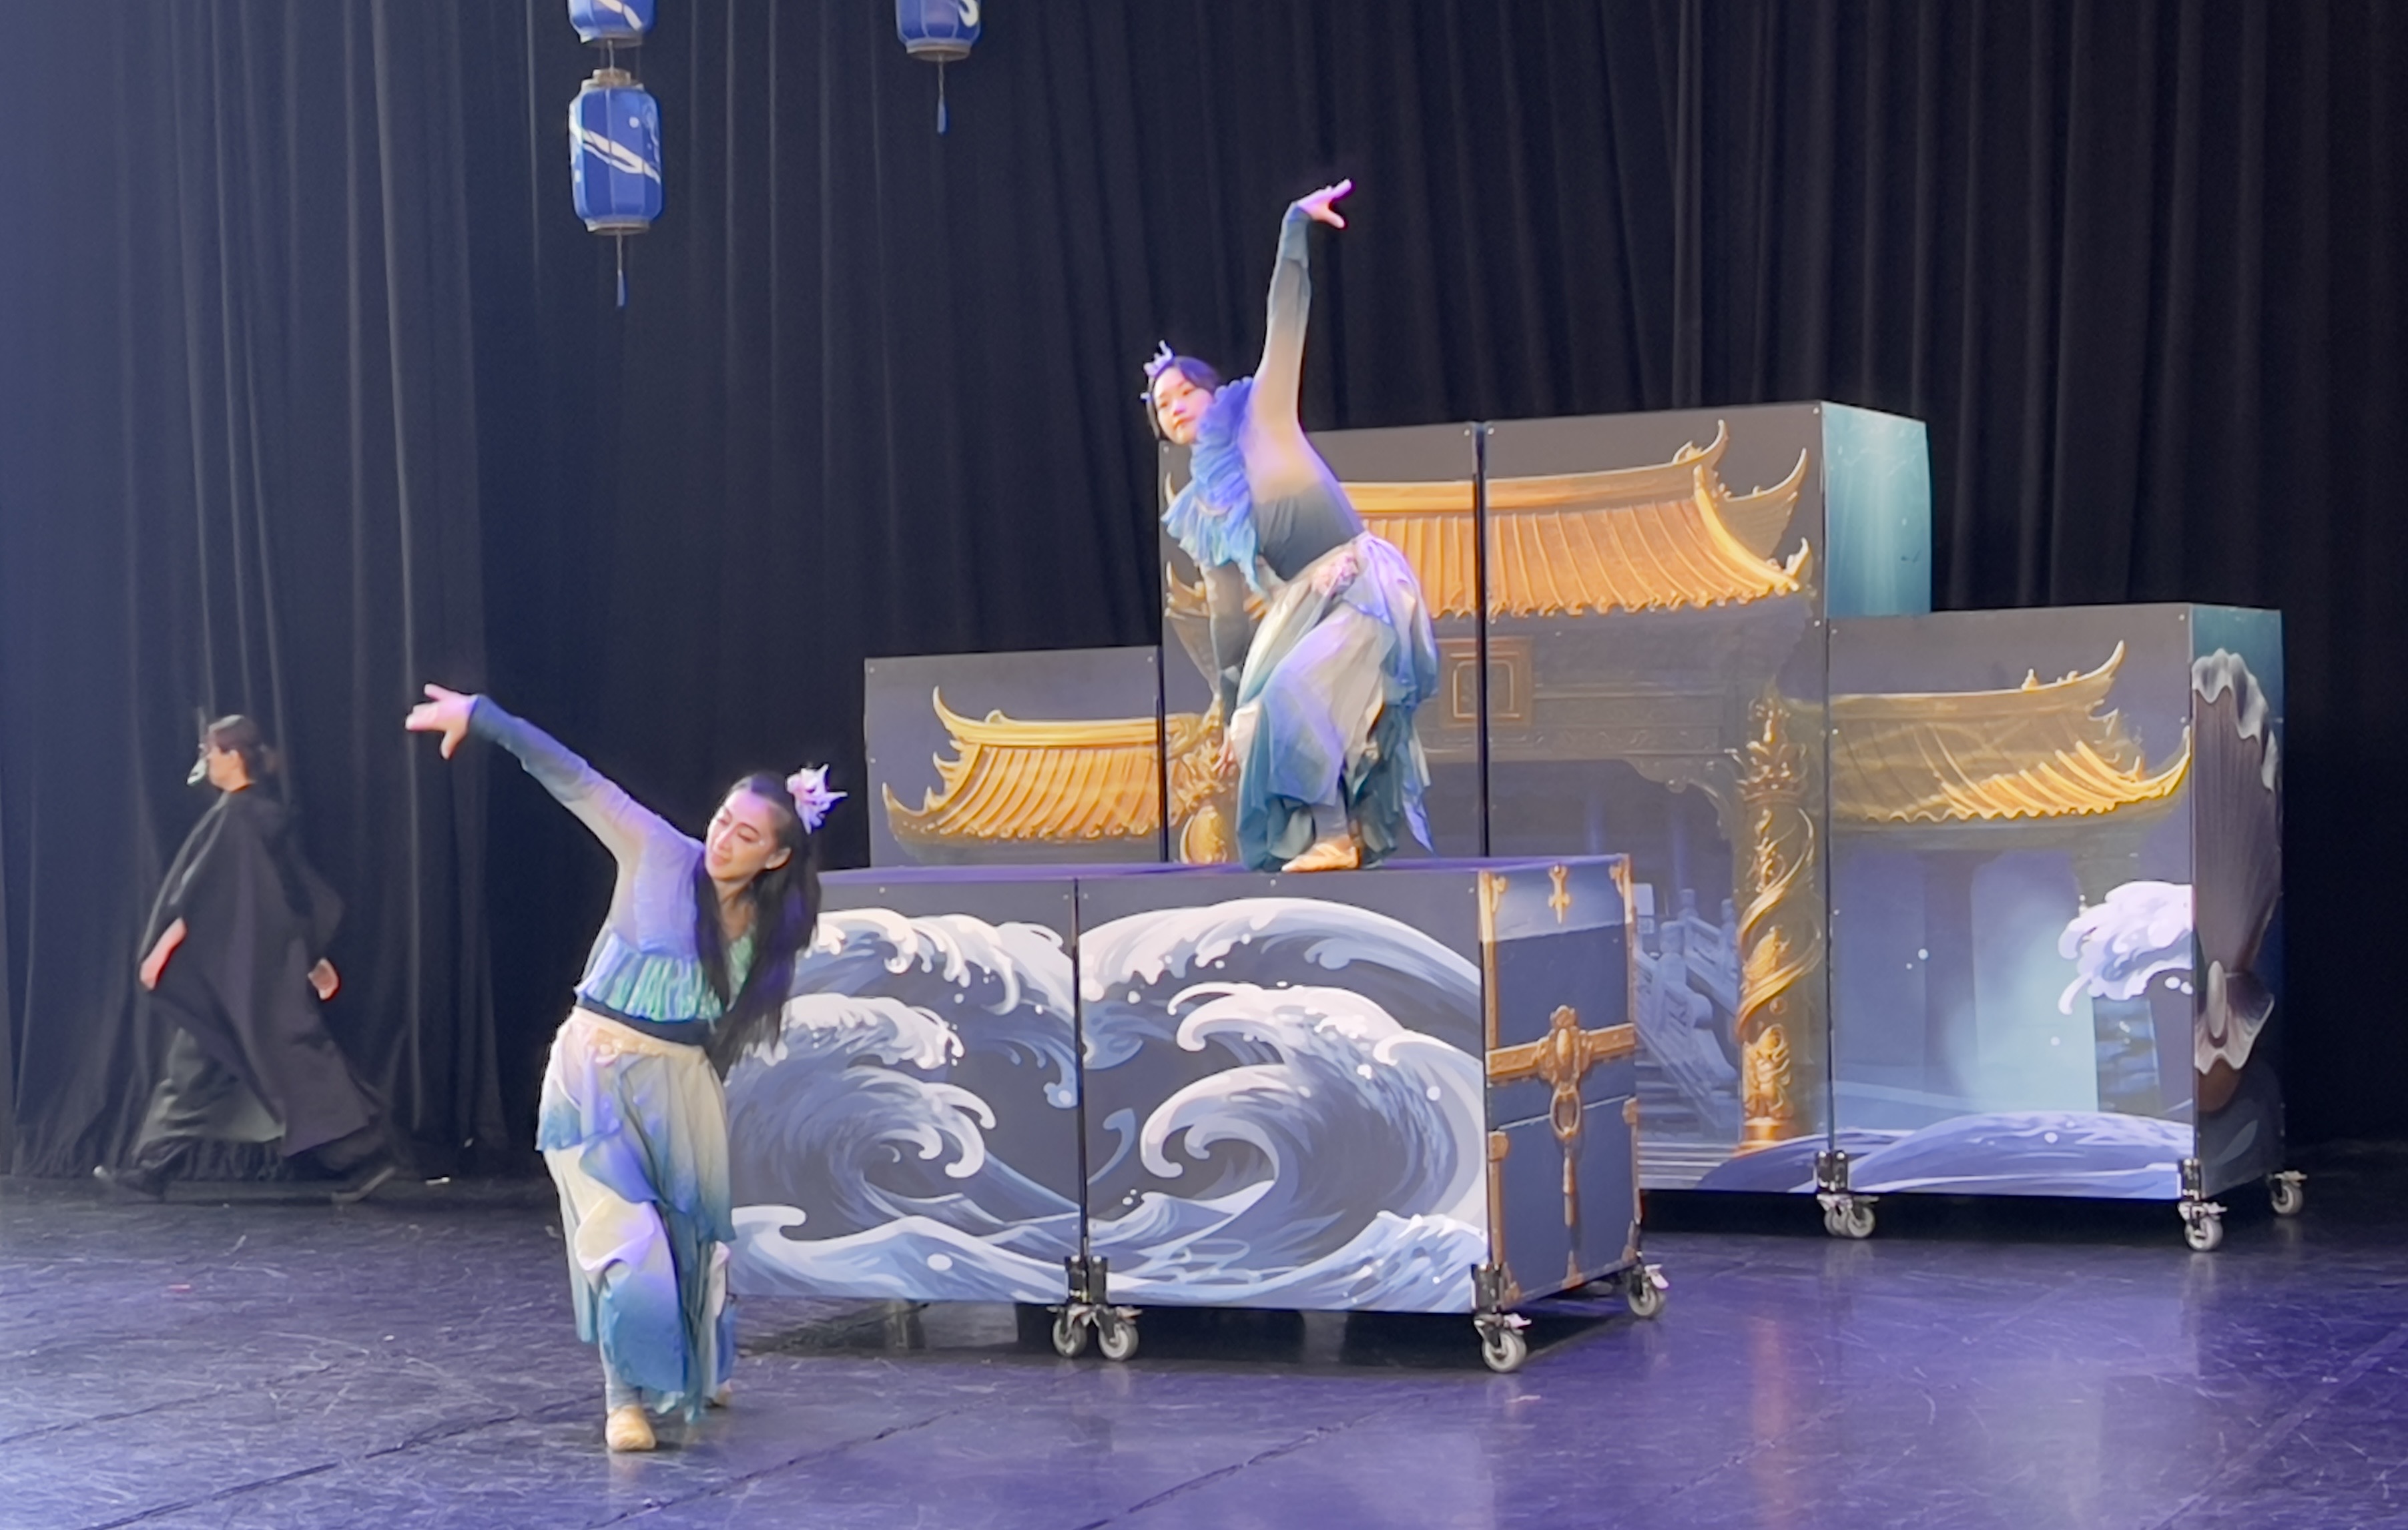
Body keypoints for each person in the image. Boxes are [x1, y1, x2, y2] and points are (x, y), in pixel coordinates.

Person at [404, 684, 836, 1453]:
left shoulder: (772, 928)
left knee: (690, 1242)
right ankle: (623, 1398)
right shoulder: (658, 850)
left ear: (775, 856)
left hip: (680, 1085)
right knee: (623, 1240)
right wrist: (486, 720)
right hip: (594, 1076)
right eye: (723, 820)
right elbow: (573, 776)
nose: (723, 839)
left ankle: (698, 1364)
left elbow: (723, 1026)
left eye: (745, 835)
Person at [1147, 179, 1440, 872]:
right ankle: (1338, 835)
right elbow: (1227, 621)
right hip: (1300, 606)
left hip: (1357, 579)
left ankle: (1336, 834)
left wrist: (1294, 230)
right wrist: (1229, 710)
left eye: (1185, 391)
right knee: (1261, 716)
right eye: (1162, 405)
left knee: (1293, 694)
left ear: (1211, 393)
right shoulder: (1205, 509)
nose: (1176, 406)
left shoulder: (1262, 412)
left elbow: (1286, 319)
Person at [97, 716, 396, 1205]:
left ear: (234, 757)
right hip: (251, 975)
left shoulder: (236, 820)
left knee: (284, 1065)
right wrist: (311, 956)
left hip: (236, 978)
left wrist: (162, 951)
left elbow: (203, 896)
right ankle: (151, 1169)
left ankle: (366, 1155)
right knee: (203, 1067)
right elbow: (292, 897)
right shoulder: (263, 816)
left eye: (211, 752)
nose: (207, 762)